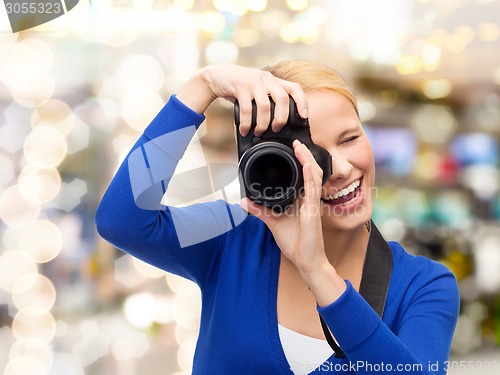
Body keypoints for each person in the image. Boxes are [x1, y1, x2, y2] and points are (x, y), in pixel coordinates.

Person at [95, 60, 460, 374]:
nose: (342, 168)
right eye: (313, 154)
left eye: (350, 138)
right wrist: (201, 86)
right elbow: (121, 219)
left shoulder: (423, 286)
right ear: (277, 167)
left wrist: (317, 271)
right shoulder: (234, 239)